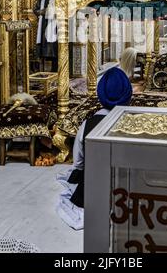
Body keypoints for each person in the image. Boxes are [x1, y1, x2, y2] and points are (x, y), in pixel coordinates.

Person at [56, 67, 132, 230]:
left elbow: (78, 162)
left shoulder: (88, 124)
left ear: (101, 93)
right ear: (128, 93)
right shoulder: (135, 123)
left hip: (93, 191)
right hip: (127, 191)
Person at [34, 0, 58, 71]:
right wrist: (42, 12)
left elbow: (61, 9)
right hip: (43, 25)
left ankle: (55, 71)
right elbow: (35, 10)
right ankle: (44, 72)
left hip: (55, 26)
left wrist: (49, 11)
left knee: (54, 49)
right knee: (44, 48)